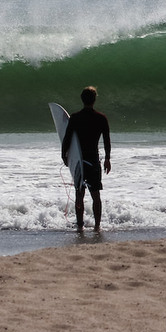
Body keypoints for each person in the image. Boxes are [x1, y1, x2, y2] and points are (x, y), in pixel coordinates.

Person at [61, 86, 111, 233]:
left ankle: (80, 226)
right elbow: (107, 141)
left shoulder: (75, 118)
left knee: (79, 194)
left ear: (82, 99)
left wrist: (64, 155)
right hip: (93, 161)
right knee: (96, 195)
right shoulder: (101, 118)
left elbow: (67, 138)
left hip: (79, 161)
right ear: (94, 100)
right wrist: (107, 158)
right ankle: (97, 226)